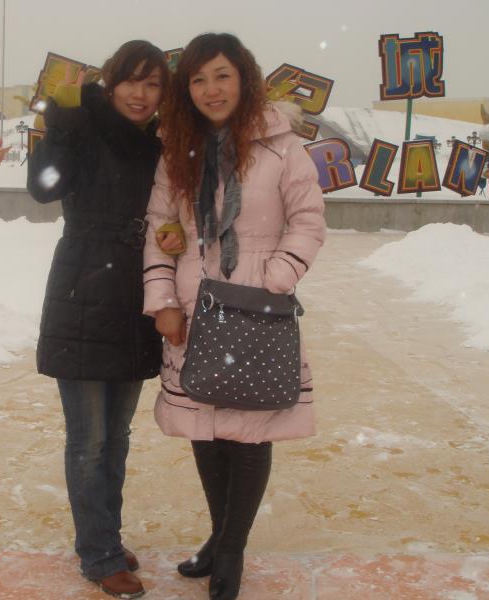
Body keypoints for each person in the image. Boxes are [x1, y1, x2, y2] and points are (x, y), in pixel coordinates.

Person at [142, 33, 326, 600]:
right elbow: (159, 227)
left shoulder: (280, 146)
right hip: (195, 305)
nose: (211, 89)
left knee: (248, 432)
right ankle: (220, 536)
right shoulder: (178, 149)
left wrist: (275, 276)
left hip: (256, 305)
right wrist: (164, 301)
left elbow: (308, 219)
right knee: (205, 427)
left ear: (244, 78)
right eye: (198, 79)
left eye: (222, 75)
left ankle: (230, 550)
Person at [27, 40, 169, 599]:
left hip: (135, 296)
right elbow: (43, 189)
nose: (141, 94)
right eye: (131, 81)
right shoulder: (82, 126)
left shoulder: (156, 144)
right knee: (89, 439)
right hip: (83, 291)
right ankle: (99, 552)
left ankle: (102, 533)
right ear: (111, 84)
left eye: (153, 84)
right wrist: (59, 127)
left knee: (116, 437)